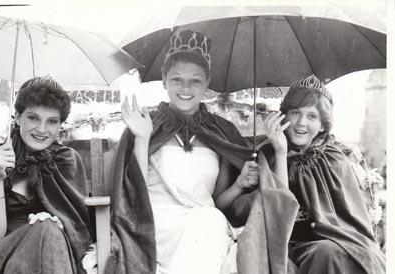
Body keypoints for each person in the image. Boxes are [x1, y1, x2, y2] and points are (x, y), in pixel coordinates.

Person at [108, 29, 292, 274]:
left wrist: (239, 183)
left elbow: (221, 202)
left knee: (210, 220)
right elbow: (133, 193)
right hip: (155, 226)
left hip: (206, 225)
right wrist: (142, 138)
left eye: (195, 80)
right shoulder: (146, 124)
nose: (186, 87)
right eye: (176, 79)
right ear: (164, 81)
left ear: (206, 83)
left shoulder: (221, 130)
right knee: (210, 222)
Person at [0, 76, 92, 274]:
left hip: (50, 256)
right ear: (17, 117)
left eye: (52, 121)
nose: (42, 129)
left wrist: (53, 221)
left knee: (47, 229)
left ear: (60, 125)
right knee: (46, 230)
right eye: (33, 118)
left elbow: (76, 230)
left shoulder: (66, 161)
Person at [262, 75, 385, 273]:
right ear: (284, 117)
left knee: (367, 256)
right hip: (293, 243)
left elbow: (352, 219)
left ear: (322, 125)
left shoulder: (334, 157)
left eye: (312, 116)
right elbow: (280, 211)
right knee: (327, 253)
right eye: (295, 113)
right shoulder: (270, 153)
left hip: (340, 239)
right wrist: (281, 152)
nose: (301, 123)